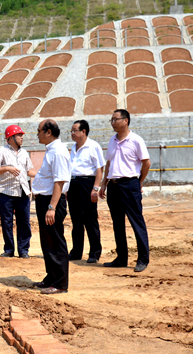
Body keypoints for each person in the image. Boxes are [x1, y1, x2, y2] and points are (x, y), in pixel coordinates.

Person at [98, 109, 151, 273]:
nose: (112, 123)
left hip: (129, 184)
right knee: (117, 223)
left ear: (126, 120)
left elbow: (146, 163)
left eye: (115, 119)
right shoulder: (112, 140)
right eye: (111, 120)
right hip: (113, 186)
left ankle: (143, 259)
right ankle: (121, 258)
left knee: (136, 222)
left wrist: (138, 182)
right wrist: (104, 183)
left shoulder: (136, 140)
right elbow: (109, 163)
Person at [31, 119, 71, 295]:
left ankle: (60, 283)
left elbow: (59, 181)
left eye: (39, 131)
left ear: (48, 132)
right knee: (47, 242)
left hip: (51, 201)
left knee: (55, 242)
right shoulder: (51, 150)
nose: (37, 134)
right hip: (45, 200)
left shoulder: (58, 152)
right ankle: (51, 277)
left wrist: (52, 207)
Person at [0, 125, 37, 258]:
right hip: (6, 192)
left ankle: (23, 250)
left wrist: (41, 175)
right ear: (10, 137)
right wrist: (7, 168)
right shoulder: (1, 151)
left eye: (22, 135)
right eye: (19, 135)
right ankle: (9, 250)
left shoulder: (24, 153)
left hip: (23, 191)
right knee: (7, 223)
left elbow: (29, 171)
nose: (22, 137)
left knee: (24, 222)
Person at [68, 119, 105, 264]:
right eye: (71, 131)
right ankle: (76, 251)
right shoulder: (73, 148)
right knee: (76, 220)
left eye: (75, 130)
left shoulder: (93, 146)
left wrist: (95, 188)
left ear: (83, 131)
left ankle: (94, 253)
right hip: (73, 184)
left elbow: (99, 169)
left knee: (90, 219)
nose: (72, 133)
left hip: (87, 183)